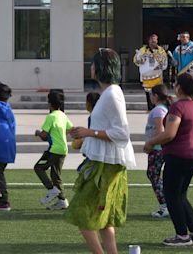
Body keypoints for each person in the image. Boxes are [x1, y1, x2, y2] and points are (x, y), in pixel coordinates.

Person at [64, 48, 136, 254]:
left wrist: (89, 132)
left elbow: (122, 132)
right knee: (102, 217)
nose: (91, 68)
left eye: (94, 64)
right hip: (103, 161)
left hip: (106, 165)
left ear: (102, 67)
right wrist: (86, 133)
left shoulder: (112, 94)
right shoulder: (110, 93)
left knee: (81, 212)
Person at [143, 73, 193, 247]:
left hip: (178, 155)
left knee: (171, 196)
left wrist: (150, 143)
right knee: (181, 194)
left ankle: (182, 235)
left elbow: (169, 133)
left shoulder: (178, 107)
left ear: (179, 87)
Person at [34, 90, 73, 211]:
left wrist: (38, 133)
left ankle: (52, 190)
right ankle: (62, 201)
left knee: (39, 168)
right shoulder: (62, 115)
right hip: (63, 149)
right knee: (56, 176)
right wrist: (59, 135)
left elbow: (44, 136)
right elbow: (70, 129)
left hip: (54, 150)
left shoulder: (50, 117)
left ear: (49, 103)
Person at [145, 84, 172, 218]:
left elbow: (160, 130)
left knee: (153, 175)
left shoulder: (158, 111)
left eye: (151, 95)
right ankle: (166, 204)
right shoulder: (162, 109)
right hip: (157, 147)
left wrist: (151, 144)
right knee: (153, 175)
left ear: (155, 96)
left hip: (157, 148)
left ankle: (165, 205)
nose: (150, 97)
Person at [133, 34, 168, 111]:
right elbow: (136, 60)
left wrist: (161, 65)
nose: (153, 42)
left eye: (155, 41)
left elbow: (165, 62)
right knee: (148, 93)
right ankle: (150, 109)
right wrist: (140, 61)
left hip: (157, 75)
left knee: (158, 92)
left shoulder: (161, 51)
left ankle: (159, 108)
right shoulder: (142, 50)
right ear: (148, 41)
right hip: (146, 76)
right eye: (152, 41)